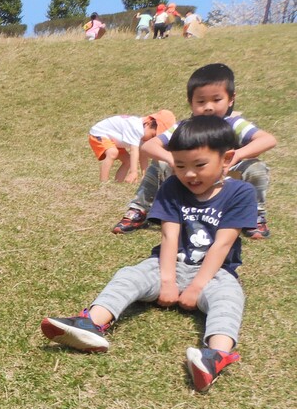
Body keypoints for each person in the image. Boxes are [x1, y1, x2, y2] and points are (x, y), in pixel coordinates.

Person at [42, 116, 257, 393]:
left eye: (199, 165)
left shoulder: (241, 193)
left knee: (230, 298)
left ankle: (215, 355)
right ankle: (91, 323)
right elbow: (169, 235)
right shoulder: (172, 187)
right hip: (167, 264)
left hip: (215, 273)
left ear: (226, 159)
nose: (189, 174)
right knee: (129, 275)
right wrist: (167, 280)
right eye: (180, 166)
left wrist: (198, 286)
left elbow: (222, 245)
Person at [111, 63, 277, 238]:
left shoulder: (234, 124)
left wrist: (237, 156)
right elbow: (149, 146)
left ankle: (255, 216)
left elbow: (268, 140)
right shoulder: (185, 126)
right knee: (158, 163)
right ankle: (139, 210)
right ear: (190, 102)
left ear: (231, 99)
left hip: (226, 177)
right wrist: (171, 159)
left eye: (216, 99)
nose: (208, 107)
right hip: (189, 175)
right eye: (201, 101)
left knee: (256, 168)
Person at [88, 110, 176, 183]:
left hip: (114, 139)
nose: (150, 139)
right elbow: (134, 150)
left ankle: (117, 183)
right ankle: (103, 182)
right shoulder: (136, 128)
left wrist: (145, 174)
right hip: (99, 133)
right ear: (148, 123)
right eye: (152, 135)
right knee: (112, 152)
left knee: (128, 161)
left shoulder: (143, 133)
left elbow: (143, 154)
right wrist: (133, 172)